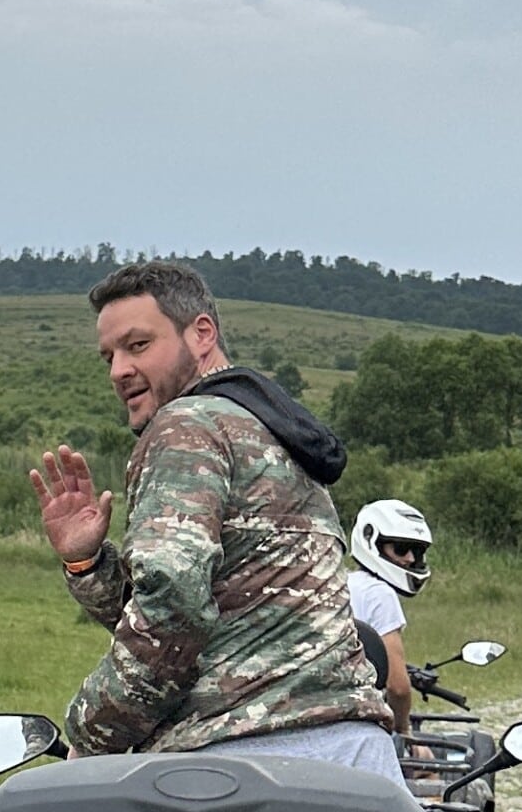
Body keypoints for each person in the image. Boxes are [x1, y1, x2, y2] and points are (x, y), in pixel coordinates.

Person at [30, 260, 397, 777]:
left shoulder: (184, 424)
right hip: (358, 756)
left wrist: (92, 733)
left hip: (245, 767)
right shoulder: (276, 433)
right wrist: (86, 562)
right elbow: (221, 611)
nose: (118, 371)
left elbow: (174, 611)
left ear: (201, 334)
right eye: (108, 357)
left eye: (137, 346)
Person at [347, 499, 432, 734]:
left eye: (417, 551)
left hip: (328, 712)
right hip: (359, 722)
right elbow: (398, 688)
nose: (410, 559)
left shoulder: (340, 582)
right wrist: (403, 731)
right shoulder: (380, 594)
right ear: (371, 542)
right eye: (401, 549)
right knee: (426, 768)